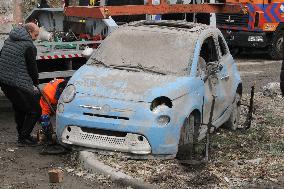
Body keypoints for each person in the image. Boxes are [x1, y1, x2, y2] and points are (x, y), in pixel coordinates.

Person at [0, 23, 41, 146]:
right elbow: (32, 68)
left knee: (20, 108)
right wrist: (35, 82)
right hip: (17, 83)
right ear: (29, 32)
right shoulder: (28, 46)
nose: (36, 37)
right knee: (35, 110)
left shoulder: (10, 40)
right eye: (35, 34)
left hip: (4, 82)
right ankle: (24, 137)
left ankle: (22, 135)